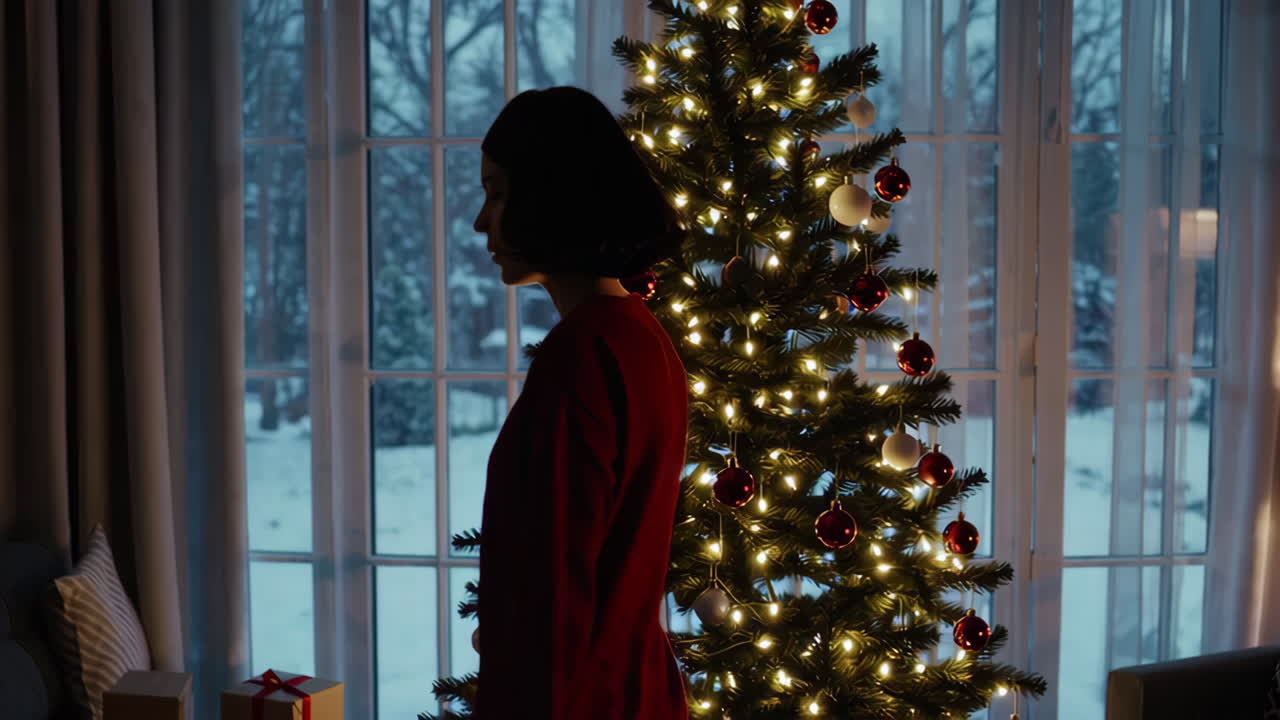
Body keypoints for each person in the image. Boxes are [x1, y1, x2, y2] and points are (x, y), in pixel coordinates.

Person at [472, 86, 691, 720]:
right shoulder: (640, 336)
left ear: (551, 194)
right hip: (634, 690)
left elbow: (556, 596)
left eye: (498, 193)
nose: (482, 221)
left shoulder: (584, 359)